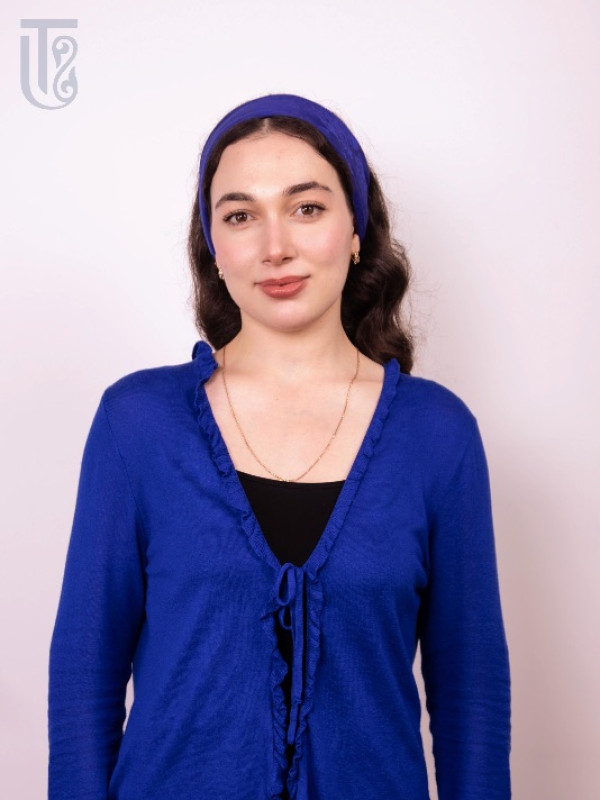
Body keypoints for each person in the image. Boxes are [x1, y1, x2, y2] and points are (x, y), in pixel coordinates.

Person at [48, 94, 511, 800]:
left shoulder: (437, 436)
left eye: (307, 208)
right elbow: (85, 678)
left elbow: (470, 693)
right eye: (241, 216)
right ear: (213, 247)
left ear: (355, 231)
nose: (275, 248)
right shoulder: (137, 424)